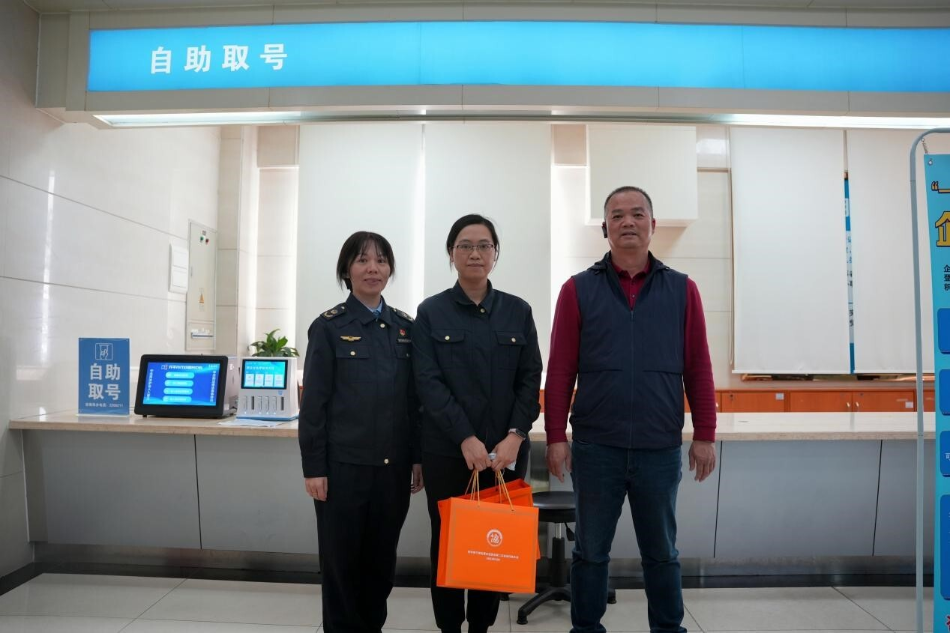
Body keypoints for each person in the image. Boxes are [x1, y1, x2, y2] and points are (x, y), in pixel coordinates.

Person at [545, 186, 718, 633]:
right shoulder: (577, 290)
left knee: (662, 553)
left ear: (652, 225)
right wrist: (556, 437)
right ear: (604, 229)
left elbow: (698, 366)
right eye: (617, 215)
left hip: (658, 449)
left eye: (637, 214)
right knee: (590, 553)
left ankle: (668, 629)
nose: (627, 222)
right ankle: (586, 628)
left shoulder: (682, 289)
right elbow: (560, 370)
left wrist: (705, 434)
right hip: (595, 449)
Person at [412, 214, 543, 633]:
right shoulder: (430, 312)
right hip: (447, 451)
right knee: (448, 540)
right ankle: (449, 626)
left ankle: (482, 626)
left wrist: (516, 435)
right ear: (451, 254)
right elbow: (428, 382)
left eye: (484, 245)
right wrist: (464, 436)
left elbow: (530, 379)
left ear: (495, 254)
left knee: (494, 539)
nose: (475, 253)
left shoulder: (518, 311)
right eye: (465, 245)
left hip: (506, 452)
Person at [298, 231, 424, 633]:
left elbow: (414, 402)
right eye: (362, 260)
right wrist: (314, 467)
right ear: (346, 270)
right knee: (341, 566)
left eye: (381, 260)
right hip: (343, 470)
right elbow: (313, 405)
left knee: (381, 564)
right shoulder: (328, 327)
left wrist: (417, 457)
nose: (373, 268)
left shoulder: (405, 327)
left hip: (392, 470)